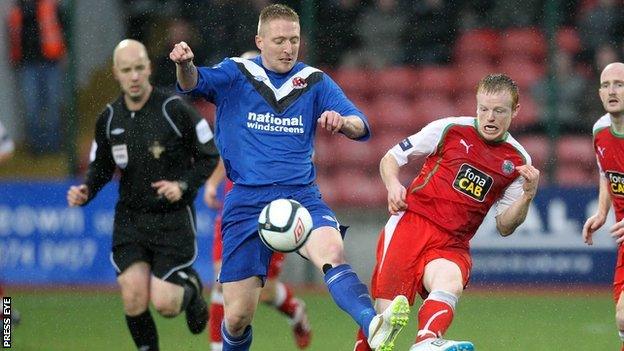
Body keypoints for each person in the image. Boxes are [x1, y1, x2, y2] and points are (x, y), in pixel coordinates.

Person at [170, 4, 409, 351]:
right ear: (260, 41)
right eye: (279, 40)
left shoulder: (313, 81)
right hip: (246, 202)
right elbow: (193, 84)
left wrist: (343, 123)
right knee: (236, 318)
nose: (287, 48)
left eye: (294, 40)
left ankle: (374, 324)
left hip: (300, 197)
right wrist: (184, 65)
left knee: (332, 250)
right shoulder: (236, 73)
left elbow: (362, 124)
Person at [354, 74, 540, 351]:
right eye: (483, 109)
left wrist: (527, 195)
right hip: (412, 225)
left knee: (450, 281)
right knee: (384, 326)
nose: (489, 117)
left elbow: (504, 225)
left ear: (515, 111)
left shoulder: (518, 160)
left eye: (499, 111)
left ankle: (427, 341)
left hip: (453, 242)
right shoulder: (450, 129)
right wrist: (393, 185)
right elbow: (392, 157)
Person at [66, 39, 219, 351]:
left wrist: (183, 186)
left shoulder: (174, 110)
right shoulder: (108, 119)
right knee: (133, 295)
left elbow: (209, 155)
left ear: (148, 68)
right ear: (116, 74)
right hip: (131, 219)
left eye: (139, 68)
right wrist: (86, 190)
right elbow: (101, 166)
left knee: (165, 304)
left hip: (172, 220)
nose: (134, 76)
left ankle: (190, 291)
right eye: (126, 70)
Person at [205, 160, 312, 350]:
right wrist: (212, 183)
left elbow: (307, 160)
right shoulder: (239, 128)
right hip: (238, 210)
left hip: (274, 214)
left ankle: (295, 311)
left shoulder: (292, 131)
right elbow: (230, 151)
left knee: (266, 291)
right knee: (222, 280)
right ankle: (218, 347)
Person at [583, 62, 624, 351]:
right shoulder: (600, 130)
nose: (612, 91)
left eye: (619, 84)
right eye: (606, 85)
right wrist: (602, 211)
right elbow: (605, 172)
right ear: (599, 92)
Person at [8, 0, 66, 154]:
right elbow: (13, 38)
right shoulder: (16, 11)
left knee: (52, 105)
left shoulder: (50, 5)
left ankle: (54, 146)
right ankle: (37, 148)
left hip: (50, 61)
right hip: (27, 65)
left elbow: (63, 27)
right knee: (31, 108)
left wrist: (63, 53)